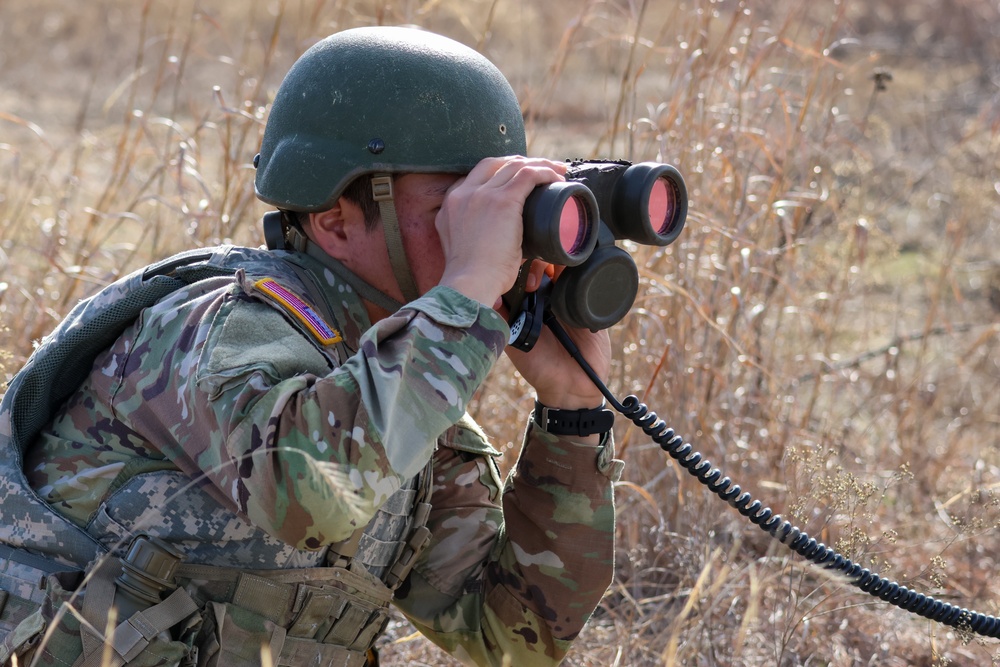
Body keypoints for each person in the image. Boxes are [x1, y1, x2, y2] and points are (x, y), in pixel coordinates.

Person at [0, 26, 622, 667]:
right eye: (454, 204)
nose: (494, 231)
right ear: (334, 220)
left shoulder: (391, 383)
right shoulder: (216, 329)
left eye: (492, 203)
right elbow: (313, 495)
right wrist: (465, 296)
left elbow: (512, 635)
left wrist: (571, 411)